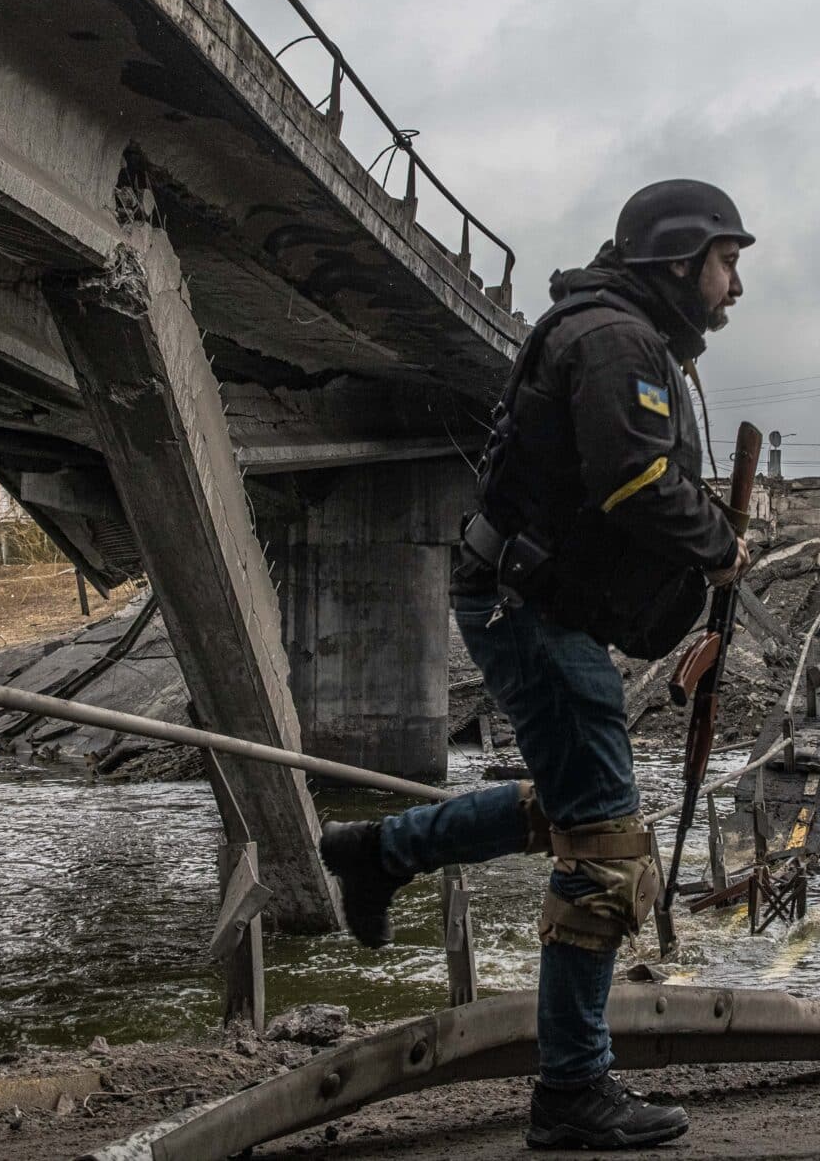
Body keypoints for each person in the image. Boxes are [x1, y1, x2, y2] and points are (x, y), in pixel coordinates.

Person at [321, 179, 753, 1150]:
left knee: (565, 806)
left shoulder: (621, 335)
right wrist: (718, 546)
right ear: (680, 261)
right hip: (527, 607)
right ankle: (571, 1091)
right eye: (726, 263)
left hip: (534, 602)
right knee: (602, 840)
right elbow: (634, 478)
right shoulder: (613, 341)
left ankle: (375, 853)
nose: (734, 288)